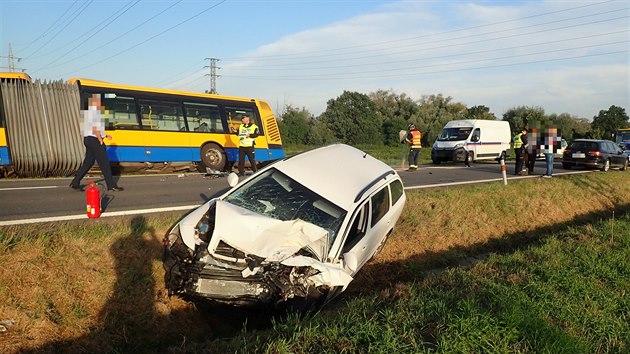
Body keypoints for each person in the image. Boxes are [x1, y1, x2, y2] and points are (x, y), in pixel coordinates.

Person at [69, 94, 123, 191]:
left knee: (88, 163)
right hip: (94, 139)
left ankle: (75, 182)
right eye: (98, 102)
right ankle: (111, 185)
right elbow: (95, 128)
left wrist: (105, 135)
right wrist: (100, 139)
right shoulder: (95, 113)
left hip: (88, 139)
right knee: (104, 163)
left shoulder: (87, 113)